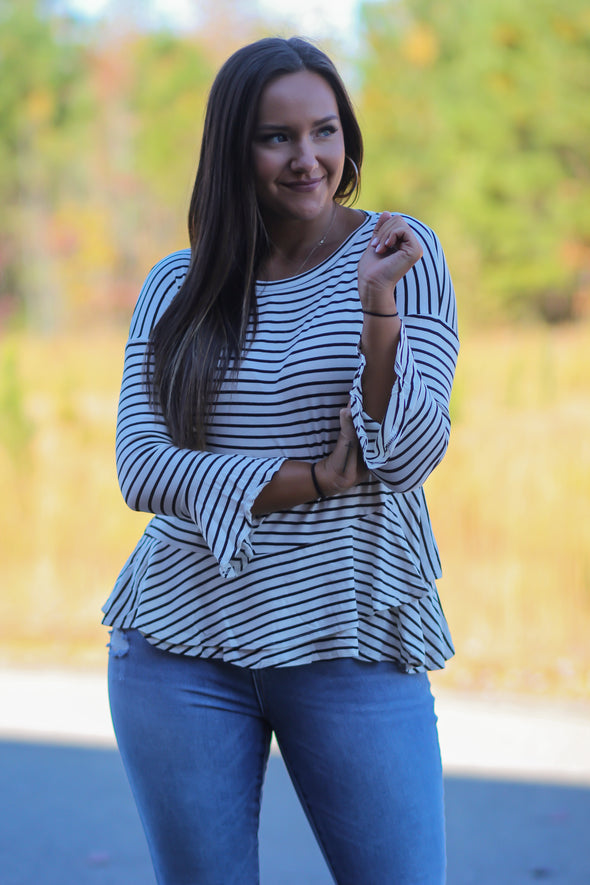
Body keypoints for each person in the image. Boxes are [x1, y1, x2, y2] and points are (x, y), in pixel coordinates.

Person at [103, 35, 459, 885]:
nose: (309, 159)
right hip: (180, 645)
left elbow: (407, 453)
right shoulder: (179, 286)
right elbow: (140, 465)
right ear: (236, 149)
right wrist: (309, 480)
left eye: (325, 131)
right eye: (277, 137)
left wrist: (377, 310)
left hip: (350, 635)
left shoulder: (401, 256)